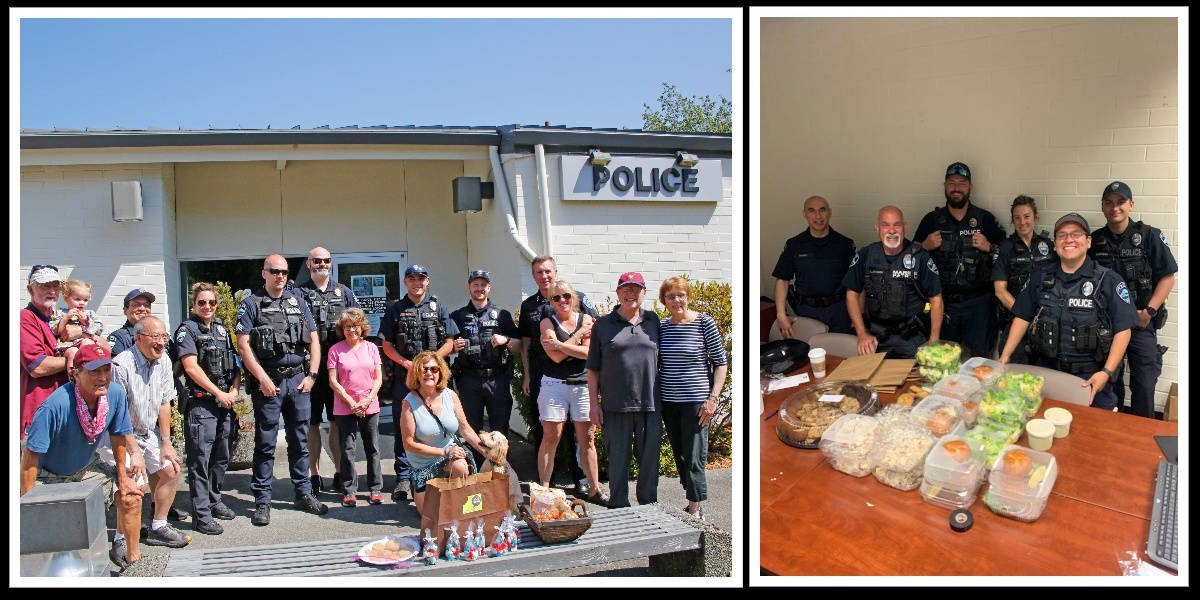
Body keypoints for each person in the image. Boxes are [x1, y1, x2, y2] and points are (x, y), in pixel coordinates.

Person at [20, 343, 147, 572]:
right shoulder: (55, 405)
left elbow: (118, 436)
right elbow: (30, 457)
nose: (102, 377)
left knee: (131, 497)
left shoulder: (115, 394)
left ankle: (135, 562)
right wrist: (29, 507)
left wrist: (123, 478)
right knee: (51, 538)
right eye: (94, 371)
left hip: (86, 467)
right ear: (76, 375)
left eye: (106, 370)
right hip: (46, 475)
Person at [1001, 213, 1137, 410]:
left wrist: (1106, 373)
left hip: (1090, 378)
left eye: (1076, 234)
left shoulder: (1109, 280)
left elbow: (1123, 330)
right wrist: (1006, 355)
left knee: (1093, 435)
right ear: (1055, 244)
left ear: (1088, 241)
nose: (1069, 240)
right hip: (1046, 372)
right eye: (1062, 235)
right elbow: (1022, 316)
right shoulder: (1040, 277)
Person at [236, 254, 328, 526]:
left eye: (284, 272)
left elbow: (313, 341)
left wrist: (312, 374)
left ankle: (303, 492)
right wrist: (263, 379)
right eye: (274, 271)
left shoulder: (297, 301)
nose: (280, 276)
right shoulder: (251, 304)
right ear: (264, 273)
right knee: (265, 444)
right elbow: (243, 345)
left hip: (298, 381)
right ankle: (262, 501)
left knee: (300, 441)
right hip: (269, 384)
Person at [1088, 181, 1178, 418]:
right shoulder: (1094, 241)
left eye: (1120, 202)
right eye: (1109, 203)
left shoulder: (1149, 236)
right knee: (1110, 384)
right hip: (1107, 328)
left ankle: (1143, 442)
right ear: (1102, 207)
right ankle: (1113, 436)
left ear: (1131, 205)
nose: (1114, 207)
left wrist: (1149, 310)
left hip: (1142, 323)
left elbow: (1167, 278)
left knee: (1144, 385)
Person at [518, 255, 599, 498]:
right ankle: (545, 487)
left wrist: (561, 345)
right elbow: (526, 343)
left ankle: (583, 482)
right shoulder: (530, 306)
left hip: (580, 379)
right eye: (539, 272)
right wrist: (526, 375)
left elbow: (591, 341)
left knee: (582, 437)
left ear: (555, 271)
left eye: (548, 271)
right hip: (546, 376)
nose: (544, 276)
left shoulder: (580, 299)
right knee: (548, 433)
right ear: (534, 276)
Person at [109, 316, 191, 548]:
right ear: (138, 338)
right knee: (135, 483)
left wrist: (166, 442)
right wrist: (134, 452)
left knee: (171, 469)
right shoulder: (121, 365)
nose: (162, 343)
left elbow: (165, 403)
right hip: (122, 435)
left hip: (149, 432)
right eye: (156, 337)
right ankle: (121, 539)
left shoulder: (164, 360)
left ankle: (159, 525)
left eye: (164, 337)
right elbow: (119, 414)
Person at [379, 264, 458, 503]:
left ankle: (439, 469)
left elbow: (450, 341)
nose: (417, 283)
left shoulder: (438, 307)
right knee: (405, 428)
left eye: (421, 279)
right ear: (405, 282)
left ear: (427, 281)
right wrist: (406, 364)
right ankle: (403, 477)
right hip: (407, 377)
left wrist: (432, 361)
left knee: (441, 423)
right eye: (412, 279)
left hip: (434, 379)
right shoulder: (396, 309)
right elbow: (386, 345)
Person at [913, 162, 1006, 358]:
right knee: (945, 362)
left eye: (962, 183)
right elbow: (909, 259)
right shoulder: (931, 220)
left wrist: (990, 247)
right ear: (945, 186)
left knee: (981, 362)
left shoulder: (985, 219)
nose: (956, 188)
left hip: (979, 304)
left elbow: (1006, 257)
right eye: (952, 183)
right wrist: (924, 246)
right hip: (944, 304)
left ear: (970, 187)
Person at [587, 272, 662, 509]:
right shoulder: (603, 325)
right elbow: (593, 370)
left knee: (649, 462)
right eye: (625, 290)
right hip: (614, 406)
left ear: (644, 293)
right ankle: (619, 508)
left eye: (636, 289)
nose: (631, 294)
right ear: (617, 293)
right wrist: (594, 405)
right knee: (618, 463)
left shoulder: (653, 320)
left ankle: (649, 509)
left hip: (650, 405)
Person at [172, 282, 241, 535]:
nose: (207, 306)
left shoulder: (222, 330)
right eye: (202, 302)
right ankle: (201, 515)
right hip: (202, 404)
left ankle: (214, 500)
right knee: (200, 460)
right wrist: (219, 393)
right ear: (194, 304)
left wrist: (234, 390)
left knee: (221, 456)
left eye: (211, 302)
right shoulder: (187, 330)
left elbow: (235, 364)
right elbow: (190, 367)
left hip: (225, 402)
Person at [658, 276, 728, 520]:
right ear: (663, 300)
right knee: (681, 454)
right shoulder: (663, 327)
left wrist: (713, 398)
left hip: (697, 403)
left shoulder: (703, 323)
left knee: (695, 455)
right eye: (671, 296)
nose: (677, 300)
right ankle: (691, 500)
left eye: (681, 295)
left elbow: (721, 363)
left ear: (688, 297)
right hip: (669, 403)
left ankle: (696, 509)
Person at [536, 279, 607, 505]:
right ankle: (544, 490)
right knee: (551, 437)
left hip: (582, 385)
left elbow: (587, 353)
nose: (562, 301)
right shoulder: (547, 322)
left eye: (566, 296)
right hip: (553, 386)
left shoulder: (586, 319)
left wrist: (559, 344)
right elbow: (554, 357)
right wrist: (574, 340)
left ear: (573, 297)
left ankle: (594, 488)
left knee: (587, 439)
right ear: (551, 301)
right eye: (556, 298)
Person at [296, 247, 360, 493]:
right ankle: (314, 475)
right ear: (309, 263)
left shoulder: (343, 292)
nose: (321, 264)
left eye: (325, 261)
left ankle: (339, 471)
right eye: (316, 261)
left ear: (331, 263)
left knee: (337, 423)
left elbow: (358, 325)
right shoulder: (298, 295)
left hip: (339, 371)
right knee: (311, 423)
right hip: (309, 371)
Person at [843, 206, 944, 359]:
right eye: (885, 225)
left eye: (897, 224)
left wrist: (933, 340)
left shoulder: (920, 257)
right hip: (875, 338)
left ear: (904, 227)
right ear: (877, 228)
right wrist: (862, 333)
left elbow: (936, 299)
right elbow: (851, 294)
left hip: (912, 338)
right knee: (872, 380)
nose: (891, 230)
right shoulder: (866, 255)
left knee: (916, 380)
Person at [398, 351, 488, 515]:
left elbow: (465, 428)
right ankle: (421, 486)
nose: (429, 373)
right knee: (429, 515)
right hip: (423, 465)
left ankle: (453, 496)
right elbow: (408, 444)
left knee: (460, 467)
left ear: (440, 372)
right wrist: (444, 451)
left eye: (434, 369)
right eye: (424, 369)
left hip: (450, 457)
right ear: (417, 373)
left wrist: (487, 452)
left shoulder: (450, 394)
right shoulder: (408, 403)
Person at [449, 270, 521, 466]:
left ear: (489, 288)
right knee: (472, 427)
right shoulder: (458, 316)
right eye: (475, 284)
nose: (479, 288)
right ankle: (476, 468)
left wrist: (505, 340)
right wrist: (454, 348)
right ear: (469, 287)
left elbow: (519, 345)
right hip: (469, 380)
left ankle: (500, 468)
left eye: (483, 285)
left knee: (500, 427)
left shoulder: (502, 315)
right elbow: (446, 345)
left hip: (496, 379)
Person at [771, 195, 856, 336]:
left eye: (822, 210)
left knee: (840, 354)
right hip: (806, 311)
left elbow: (856, 283)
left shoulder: (845, 244)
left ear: (830, 212)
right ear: (805, 214)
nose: (818, 216)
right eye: (812, 211)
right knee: (809, 354)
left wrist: (857, 316)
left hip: (839, 311)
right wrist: (781, 314)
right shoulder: (794, 244)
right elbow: (782, 280)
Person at [326, 308, 384, 507]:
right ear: (342, 329)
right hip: (345, 407)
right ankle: (349, 490)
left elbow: (378, 379)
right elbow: (333, 381)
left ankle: (375, 488)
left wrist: (367, 400)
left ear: (362, 328)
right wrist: (351, 403)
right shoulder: (335, 350)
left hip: (370, 404)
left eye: (355, 326)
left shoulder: (372, 348)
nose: (352, 330)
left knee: (373, 448)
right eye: (348, 326)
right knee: (347, 450)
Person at [992, 196, 1056, 364]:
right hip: (1015, 324)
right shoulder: (1005, 248)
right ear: (1012, 221)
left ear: (1035, 217)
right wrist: (1024, 315)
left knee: (1045, 380)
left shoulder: (1048, 245)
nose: (1022, 222)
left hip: (1046, 325)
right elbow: (1000, 290)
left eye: (1027, 216)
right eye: (1017, 218)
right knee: (1013, 378)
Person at [21, 265, 71, 440]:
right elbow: (37, 366)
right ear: (30, 289)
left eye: (55, 286)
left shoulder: (60, 319)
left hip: (63, 410)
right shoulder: (25, 318)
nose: (51, 291)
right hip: (38, 412)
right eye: (44, 286)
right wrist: (78, 360)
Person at [49, 279, 107, 359]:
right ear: (66, 297)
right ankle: (73, 371)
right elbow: (55, 331)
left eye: (85, 300)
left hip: (84, 342)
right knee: (73, 353)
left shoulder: (90, 314)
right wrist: (65, 318)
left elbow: (99, 329)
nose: (82, 303)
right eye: (77, 299)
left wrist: (86, 322)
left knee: (88, 343)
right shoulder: (60, 313)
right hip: (68, 346)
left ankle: (87, 369)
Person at [107, 289, 156, 356]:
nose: (142, 309)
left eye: (146, 305)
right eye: (136, 305)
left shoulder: (160, 335)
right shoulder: (119, 338)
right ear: (125, 310)